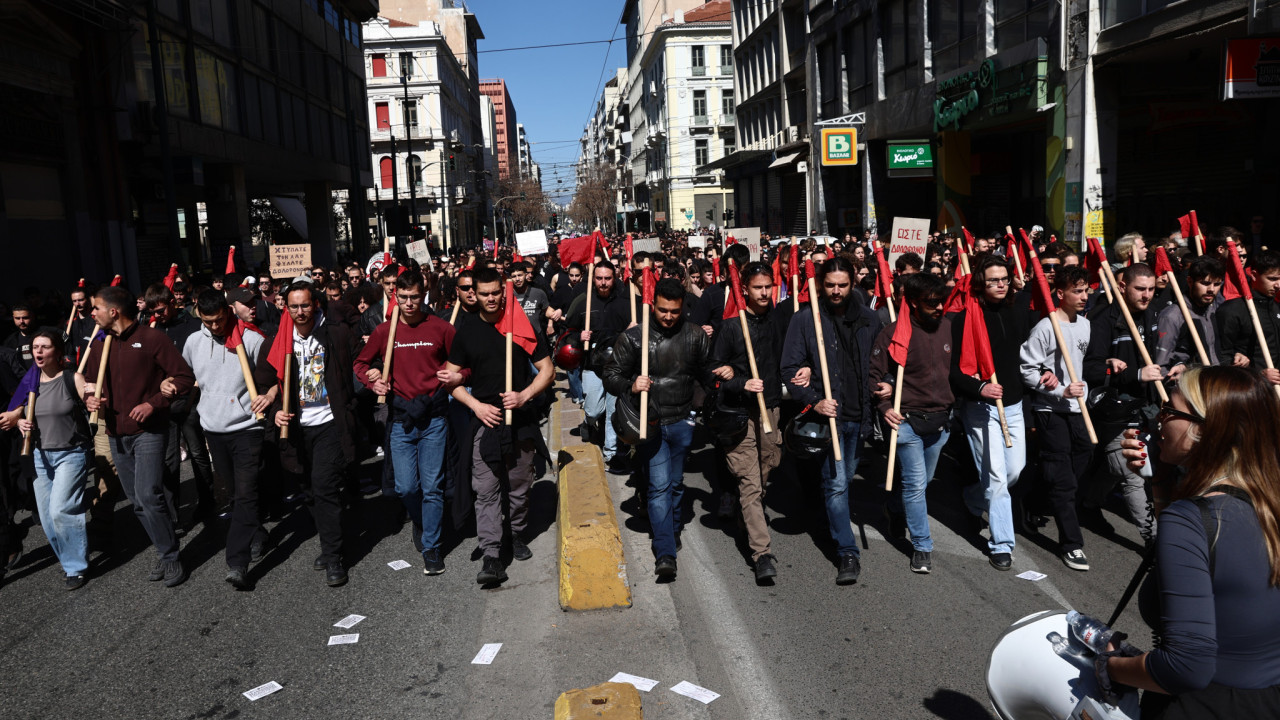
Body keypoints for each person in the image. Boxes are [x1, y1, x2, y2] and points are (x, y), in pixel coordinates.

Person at [1106, 367, 1280, 716]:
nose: (1158, 419)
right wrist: (1161, 475)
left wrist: (1107, 665)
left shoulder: (1190, 520)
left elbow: (1185, 667)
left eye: (1169, 410)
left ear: (1201, 431)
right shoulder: (1268, 500)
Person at [604, 278, 726, 580]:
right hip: (650, 424)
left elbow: (706, 373)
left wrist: (727, 375)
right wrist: (631, 385)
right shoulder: (634, 338)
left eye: (674, 311)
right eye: (662, 310)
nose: (669, 316)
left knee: (674, 484)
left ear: (682, 307)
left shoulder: (696, 336)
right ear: (652, 305)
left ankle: (670, 530)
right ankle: (665, 551)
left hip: (683, 421)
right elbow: (611, 374)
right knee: (658, 488)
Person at [445, 268, 554, 585]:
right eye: (484, 294)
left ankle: (517, 534)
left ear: (502, 293)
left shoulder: (520, 325)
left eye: (496, 293)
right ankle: (492, 555)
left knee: (519, 489)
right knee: (486, 491)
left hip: (520, 422)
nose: (490, 298)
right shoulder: (465, 333)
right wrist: (476, 406)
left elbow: (547, 370)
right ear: (473, 295)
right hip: (486, 424)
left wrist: (525, 395)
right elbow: (451, 382)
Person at [83, 285, 195, 588]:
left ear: (113, 311)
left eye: (96, 308)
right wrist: (90, 399)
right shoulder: (99, 344)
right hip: (116, 432)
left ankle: (171, 556)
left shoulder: (151, 338)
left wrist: (153, 403)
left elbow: (184, 377)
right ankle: (163, 547)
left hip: (150, 430)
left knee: (148, 494)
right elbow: (90, 384)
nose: (92, 313)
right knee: (136, 502)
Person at [782, 256, 883, 585]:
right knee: (837, 485)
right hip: (829, 419)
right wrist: (814, 399)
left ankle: (826, 514)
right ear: (820, 285)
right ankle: (846, 552)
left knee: (842, 480)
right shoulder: (805, 320)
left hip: (860, 416)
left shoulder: (869, 319)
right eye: (830, 285)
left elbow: (883, 364)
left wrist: (887, 384)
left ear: (853, 282)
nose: (836, 291)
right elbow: (789, 368)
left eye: (842, 285)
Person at [354, 269, 460, 576]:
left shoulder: (441, 328)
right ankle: (422, 520)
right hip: (401, 419)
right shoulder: (385, 332)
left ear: (423, 294)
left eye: (415, 297)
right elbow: (360, 363)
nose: (410, 303)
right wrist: (373, 382)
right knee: (405, 486)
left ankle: (432, 547)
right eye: (404, 298)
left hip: (434, 418)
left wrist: (457, 376)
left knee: (432, 488)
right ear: (394, 297)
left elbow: (464, 366)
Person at [266, 281, 360, 587]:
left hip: (330, 424)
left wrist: (369, 377)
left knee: (324, 487)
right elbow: (272, 383)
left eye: (305, 305)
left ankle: (334, 557)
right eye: (293, 306)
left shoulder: (335, 333)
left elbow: (358, 362)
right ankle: (329, 541)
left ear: (315, 305)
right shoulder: (282, 340)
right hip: (297, 426)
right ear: (286, 308)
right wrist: (275, 410)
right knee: (308, 489)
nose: (300, 312)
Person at [181, 290, 275, 590]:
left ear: (228, 312)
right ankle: (257, 533)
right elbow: (188, 378)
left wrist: (269, 395)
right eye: (208, 322)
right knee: (235, 493)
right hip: (214, 429)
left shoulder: (251, 338)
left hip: (248, 427)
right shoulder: (194, 342)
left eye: (220, 320)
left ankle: (237, 561)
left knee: (246, 494)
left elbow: (274, 376)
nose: (215, 327)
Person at [951, 253, 1030, 571]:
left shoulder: (1020, 309)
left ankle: (972, 497)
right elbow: (955, 371)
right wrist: (979, 388)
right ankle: (1001, 544)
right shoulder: (965, 318)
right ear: (980, 283)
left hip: (1014, 407)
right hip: (981, 408)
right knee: (997, 478)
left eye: (1004, 278)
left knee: (1013, 471)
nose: (1000, 284)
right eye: (993, 279)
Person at [870, 273, 953, 574]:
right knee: (916, 487)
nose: (939, 307)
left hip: (940, 422)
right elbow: (874, 376)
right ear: (914, 303)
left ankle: (894, 506)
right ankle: (922, 546)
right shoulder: (894, 333)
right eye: (932, 303)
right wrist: (883, 404)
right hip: (907, 422)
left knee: (921, 483)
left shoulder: (948, 328)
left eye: (942, 301)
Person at [711, 262, 785, 582]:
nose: (765, 292)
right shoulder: (730, 327)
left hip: (770, 409)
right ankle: (762, 553)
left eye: (768, 286)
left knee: (768, 464)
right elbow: (713, 370)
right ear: (745, 290)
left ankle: (747, 512)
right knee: (750, 481)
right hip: (739, 413)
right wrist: (739, 382)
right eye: (757, 287)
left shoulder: (779, 320)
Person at [1083, 263, 1164, 547]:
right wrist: (1133, 374)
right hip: (1115, 408)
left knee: (1117, 466)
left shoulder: (1153, 315)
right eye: (1140, 289)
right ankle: (1155, 542)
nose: (1146, 295)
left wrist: (1169, 368)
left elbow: (1157, 356)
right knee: (1132, 470)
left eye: (1151, 289)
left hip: (1147, 404)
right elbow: (1089, 368)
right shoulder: (1103, 319)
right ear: (1121, 287)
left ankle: (1088, 501)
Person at [3, 331, 91, 589]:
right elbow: (17, 411)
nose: (38, 352)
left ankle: (76, 567)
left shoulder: (71, 377)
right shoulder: (30, 383)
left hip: (71, 453)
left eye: (44, 347)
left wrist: (93, 396)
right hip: (40, 455)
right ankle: (69, 559)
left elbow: (88, 400)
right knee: (47, 518)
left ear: (57, 351)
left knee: (61, 510)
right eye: (35, 347)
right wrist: (19, 421)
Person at [1019, 265, 1092, 570]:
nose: (1084, 296)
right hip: (1051, 411)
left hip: (1079, 409)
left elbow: (1081, 364)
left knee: (1084, 456)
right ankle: (1072, 544)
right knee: (1063, 480)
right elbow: (1027, 370)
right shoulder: (1046, 328)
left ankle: (1032, 501)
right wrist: (1059, 390)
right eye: (1077, 290)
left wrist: (1080, 390)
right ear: (1060, 294)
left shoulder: (1085, 325)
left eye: (1086, 290)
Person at [1217, 250, 1280, 387]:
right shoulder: (1232, 310)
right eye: (1272, 279)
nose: (1278, 285)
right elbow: (1222, 357)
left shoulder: (1276, 308)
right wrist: (1258, 376)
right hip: (1249, 391)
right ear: (1254, 275)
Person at [1155, 256, 1226, 376]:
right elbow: (1162, 364)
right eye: (1205, 283)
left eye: (1217, 284)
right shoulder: (1172, 316)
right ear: (1190, 281)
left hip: (1216, 382)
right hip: (1190, 386)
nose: (1211, 289)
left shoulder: (1215, 309)